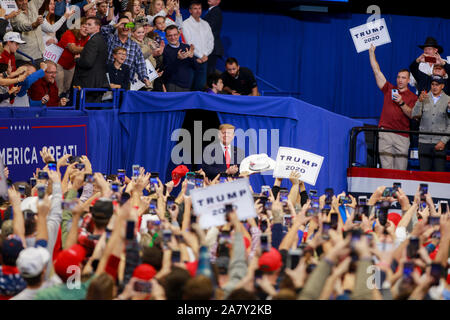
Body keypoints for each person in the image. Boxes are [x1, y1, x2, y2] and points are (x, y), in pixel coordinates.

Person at [368, 44, 418, 170]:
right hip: (386, 133)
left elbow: (412, 115)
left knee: (400, 171)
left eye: (403, 78)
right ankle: (387, 190)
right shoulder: (389, 89)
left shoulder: (413, 97)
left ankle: (398, 191)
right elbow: (377, 71)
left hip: (402, 136)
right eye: (398, 77)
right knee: (386, 170)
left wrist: (401, 103)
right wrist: (371, 53)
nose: (400, 80)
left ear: (408, 80)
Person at [411, 75, 450, 172]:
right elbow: (414, 115)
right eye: (432, 84)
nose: (434, 87)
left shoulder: (448, 99)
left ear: (442, 86)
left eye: (437, 84)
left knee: (439, 175)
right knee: (424, 175)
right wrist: (419, 101)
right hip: (424, 143)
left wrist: (443, 141)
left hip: (439, 142)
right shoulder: (424, 97)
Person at [101, 15, 152, 87]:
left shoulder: (135, 46)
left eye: (128, 24)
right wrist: (117, 24)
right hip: (109, 83)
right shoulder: (110, 39)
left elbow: (141, 64)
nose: (126, 27)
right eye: (123, 24)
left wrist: (144, 77)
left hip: (125, 84)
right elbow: (102, 30)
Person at [72, 17, 108, 102]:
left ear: (97, 27)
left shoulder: (93, 41)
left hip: (90, 83)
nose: (86, 27)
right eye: (85, 24)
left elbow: (88, 62)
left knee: (85, 111)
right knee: (93, 110)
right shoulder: (100, 39)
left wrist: (78, 59)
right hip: (97, 82)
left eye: (89, 24)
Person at [182, 0, 214, 92]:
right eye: (195, 8)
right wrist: (200, 56)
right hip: (191, 59)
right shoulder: (186, 24)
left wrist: (205, 55)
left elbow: (211, 41)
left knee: (200, 87)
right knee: (189, 86)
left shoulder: (205, 24)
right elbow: (188, 42)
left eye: (199, 8)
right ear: (190, 10)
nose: (198, 11)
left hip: (204, 60)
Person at [56, 18, 89, 96]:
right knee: (59, 89)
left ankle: (64, 106)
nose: (86, 29)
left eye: (88, 28)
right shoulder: (69, 33)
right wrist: (89, 48)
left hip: (71, 65)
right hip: (58, 63)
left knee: (67, 89)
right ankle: (55, 107)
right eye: (84, 26)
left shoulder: (86, 37)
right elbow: (73, 49)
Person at [11, 0, 46, 67]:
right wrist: (35, 24)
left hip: (39, 54)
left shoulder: (32, 4)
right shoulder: (14, 15)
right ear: (15, 1)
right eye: (21, 0)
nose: (24, 2)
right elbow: (24, 26)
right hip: (25, 59)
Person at [162, 25, 195, 92]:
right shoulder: (165, 50)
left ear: (179, 34)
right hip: (172, 85)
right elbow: (167, 72)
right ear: (166, 37)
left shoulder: (186, 47)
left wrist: (192, 58)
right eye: (170, 35)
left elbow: (195, 67)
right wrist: (178, 59)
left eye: (175, 35)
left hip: (186, 84)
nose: (173, 37)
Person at [203, 0, 223, 76]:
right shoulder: (210, 11)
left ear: (218, 1)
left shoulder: (216, 11)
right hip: (209, 47)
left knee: (209, 73)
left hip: (211, 47)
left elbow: (209, 28)